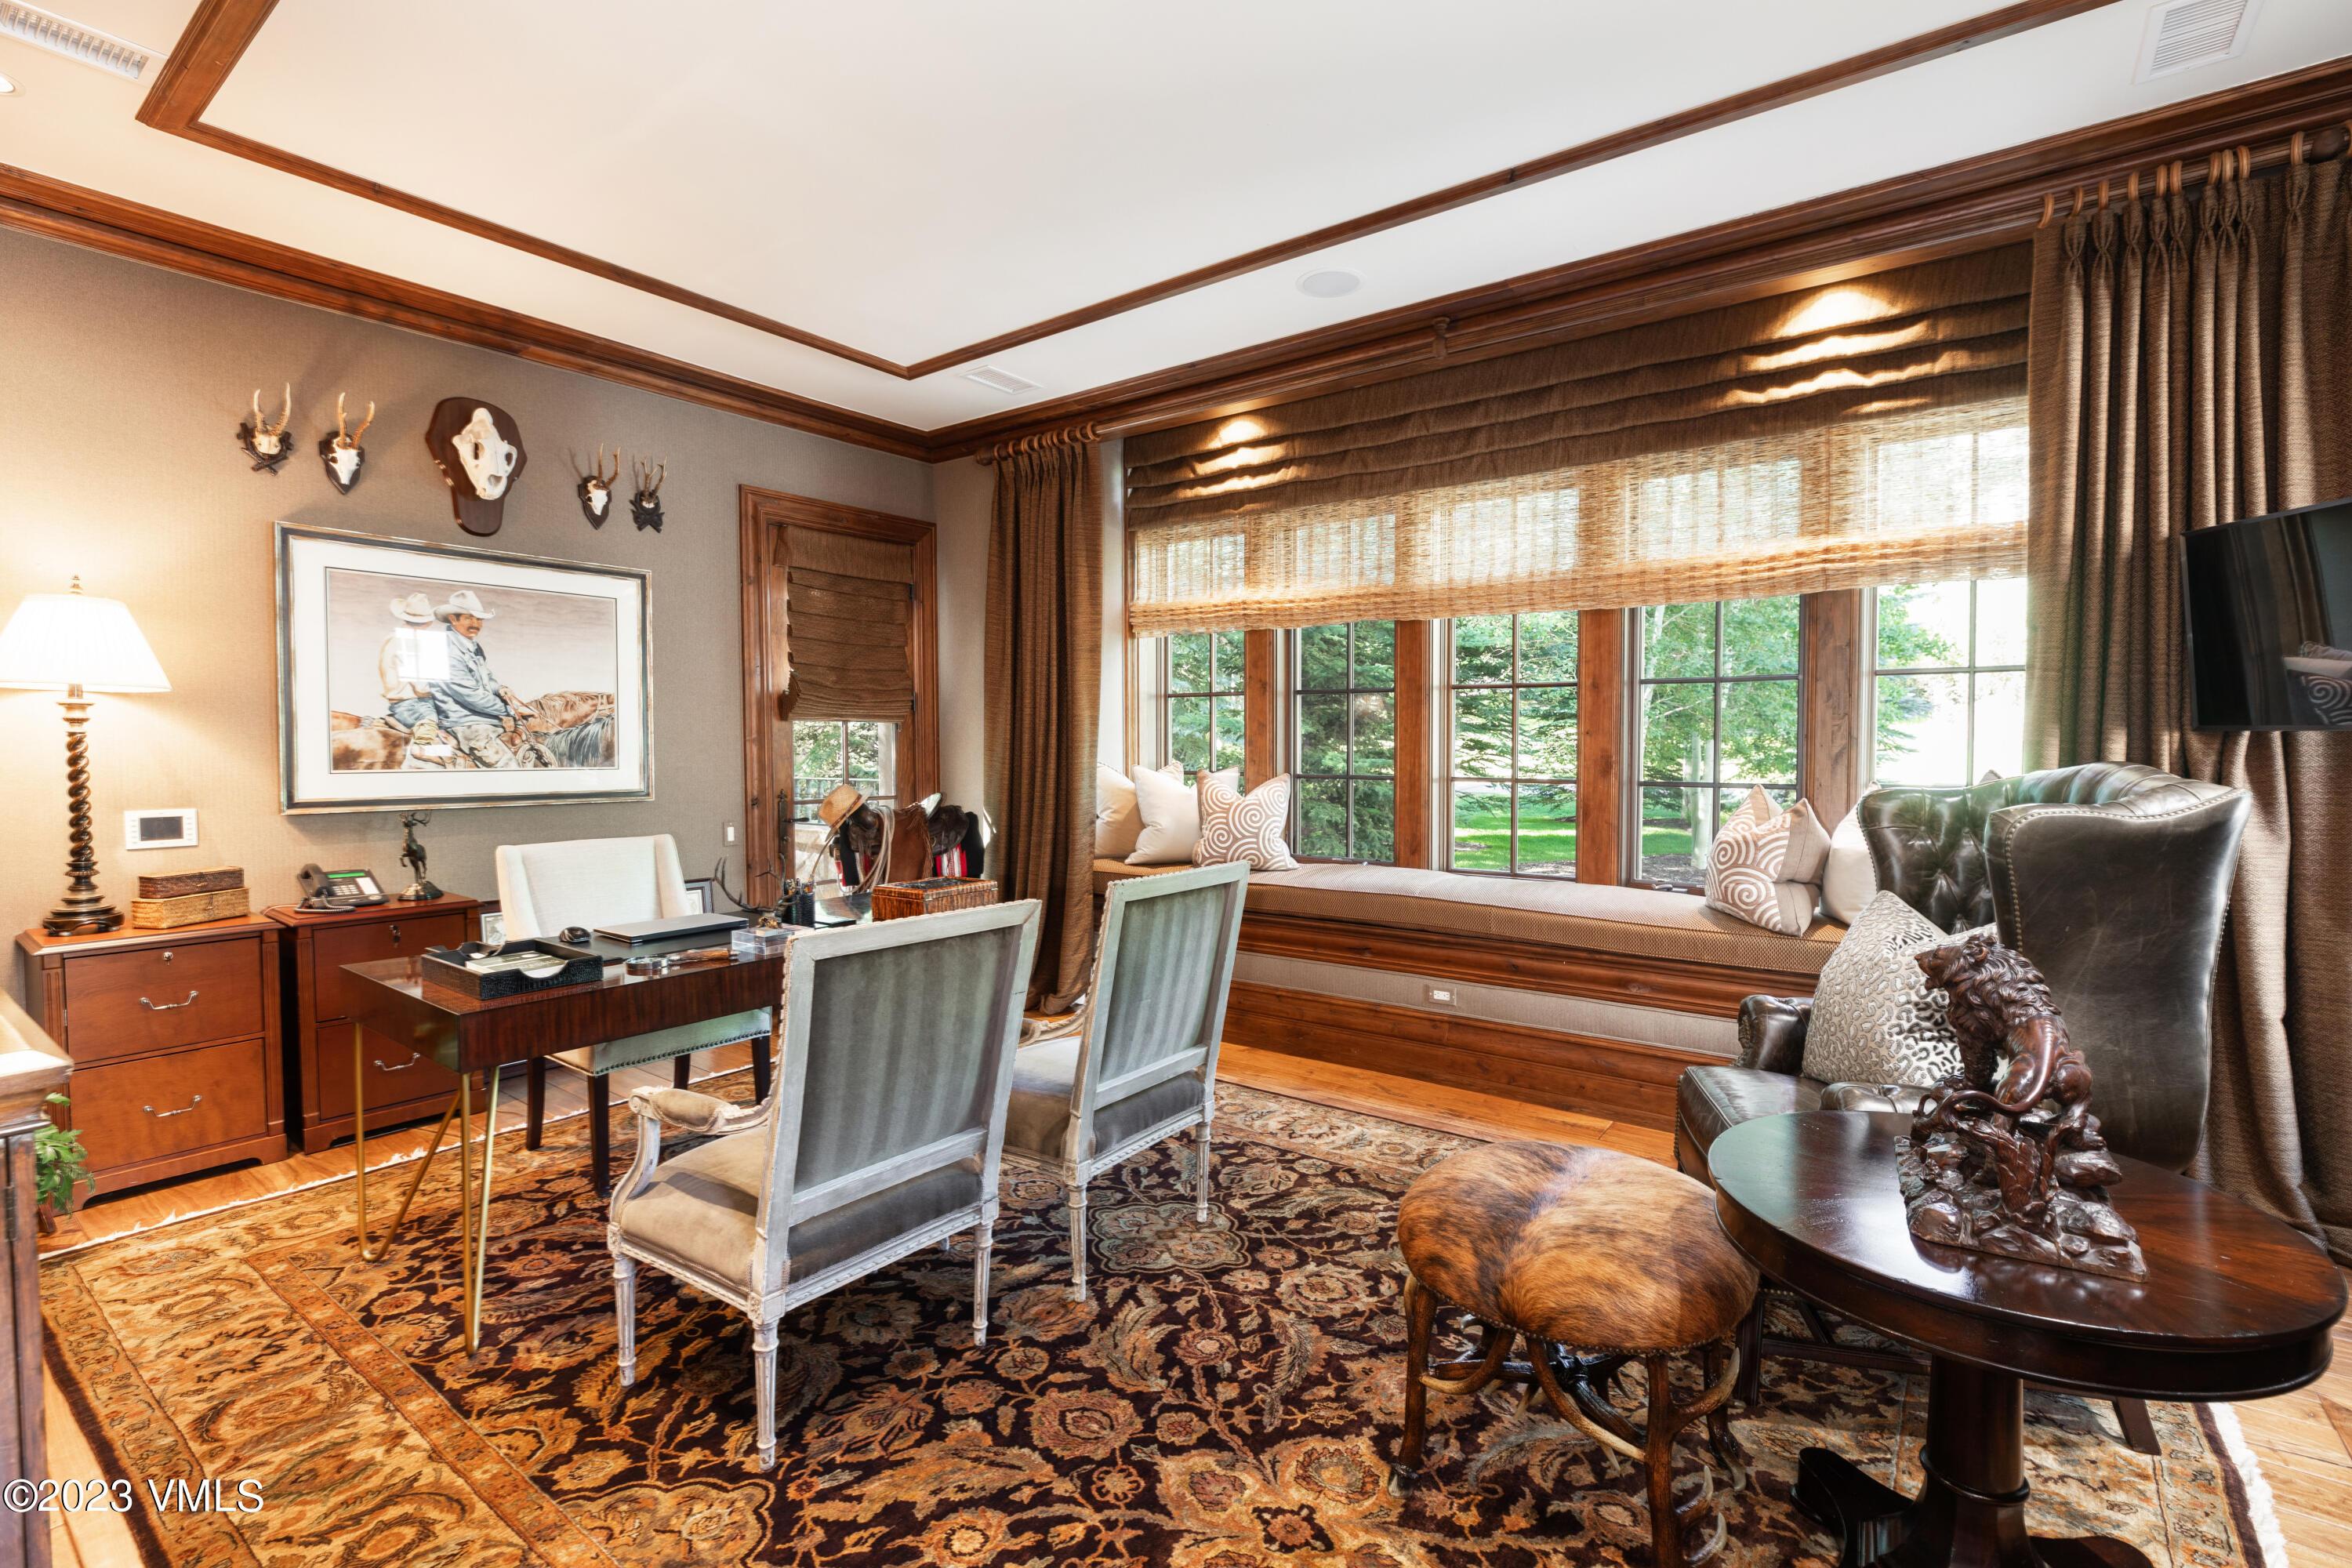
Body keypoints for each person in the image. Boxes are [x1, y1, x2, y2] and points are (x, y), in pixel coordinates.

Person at [427, 590, 535, 768]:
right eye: (469, 619)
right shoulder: (446, 650)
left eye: (479, 620)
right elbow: (470, 695)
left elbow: (487, 678)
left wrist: (499, 689)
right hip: (465, 724)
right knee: (509, 768)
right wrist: (512, 709)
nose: (475, 625)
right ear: (453, 619)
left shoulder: (473, 647)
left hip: (484, 720)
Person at [376, 593, 441, 733]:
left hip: (405, 704)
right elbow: (422, 687)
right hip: (414, 705)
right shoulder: (409, 642)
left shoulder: (395, 639)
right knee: (434, 734)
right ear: (429, 622)